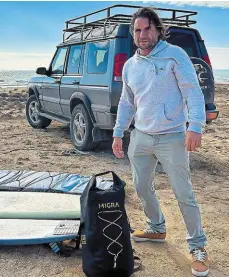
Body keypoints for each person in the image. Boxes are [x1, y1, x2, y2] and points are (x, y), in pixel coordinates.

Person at [112, 7, 209, 277]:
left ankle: (198, 247)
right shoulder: (131, 65)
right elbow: (126, 101)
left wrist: (195, 126)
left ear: (157, 29)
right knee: (141, 186)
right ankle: (156, 227)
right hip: (141, 135)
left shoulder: (175, 55)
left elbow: (193, 92)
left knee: (183, 193)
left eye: (147, 29)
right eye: (137, 30)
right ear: (133, 34)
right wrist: (119, 132)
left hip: (173, 135)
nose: (142, 35)